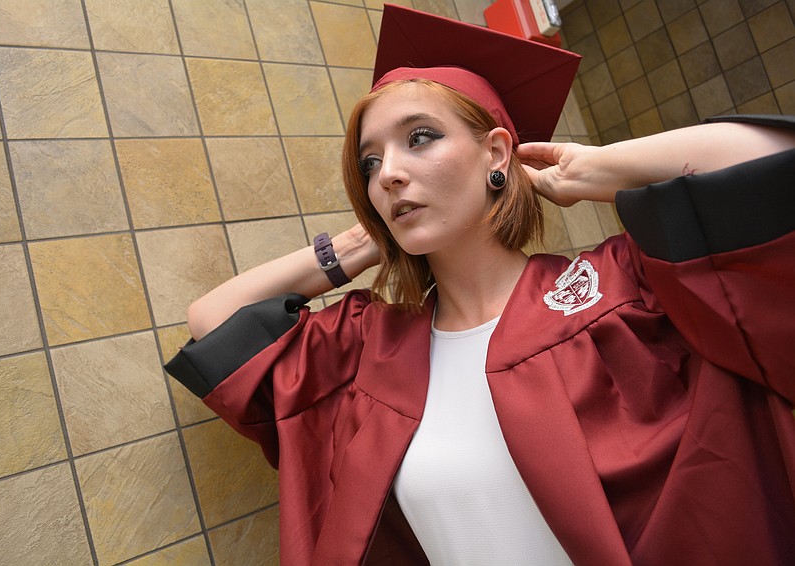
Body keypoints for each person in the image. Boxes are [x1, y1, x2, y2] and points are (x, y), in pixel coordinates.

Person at [166, 5, 795, 565]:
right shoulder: (370, 347)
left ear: (497, 153)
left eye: (420, 138)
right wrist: (365, 241)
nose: (388, 174)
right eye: (371, 161)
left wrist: (592, 168)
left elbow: (764, 164)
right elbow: (215, 321)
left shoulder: (621, 287)